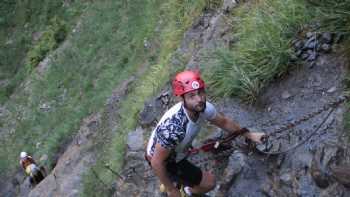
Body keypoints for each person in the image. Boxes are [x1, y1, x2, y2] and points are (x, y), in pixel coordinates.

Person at [146, 70, 266, 197]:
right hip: (166, 160)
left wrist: (250, 135)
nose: (199, 99)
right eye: (192, 96)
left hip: (177, 151)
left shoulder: (204, 108)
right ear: (182, 99)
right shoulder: (174, 128)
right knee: (209, 183)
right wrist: (171, 190)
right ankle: (180, 190)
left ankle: (181, 187)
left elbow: (224, 122)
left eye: (200, 92)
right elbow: (156, 162)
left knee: (203, 181)